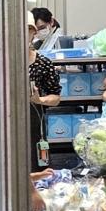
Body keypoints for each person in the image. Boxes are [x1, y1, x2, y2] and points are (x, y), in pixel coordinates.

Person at [27, 24, 61, 168]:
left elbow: (56, 98)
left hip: (35, 124)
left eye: (27, 30)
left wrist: (39, 100)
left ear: (33, 33)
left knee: (39, 164)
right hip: (4, 123)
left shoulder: (43, 63)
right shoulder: (0, 63)